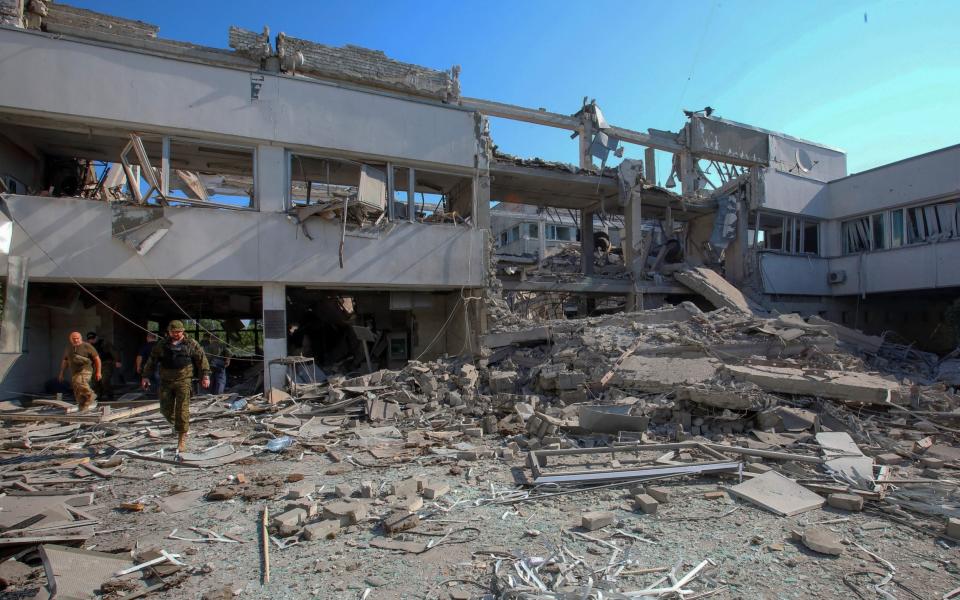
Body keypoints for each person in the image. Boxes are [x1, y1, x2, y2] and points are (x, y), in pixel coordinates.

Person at [141, 320, 210, 453]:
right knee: (165, 409)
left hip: (184, 380)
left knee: (182, 410)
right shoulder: (162, 345)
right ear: (169, 332)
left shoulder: (190, 344)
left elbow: (202, 359)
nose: (176, 334)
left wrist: (205, 375)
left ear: (183, 331)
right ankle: (177, 424)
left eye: (178, 332)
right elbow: (152, 361)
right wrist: (145, 376)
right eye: (173, 332)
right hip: (166, 380)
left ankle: (181, 438)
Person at [58, 331, 101, 411]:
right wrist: (61, 373)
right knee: (77, 389)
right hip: (75, 372)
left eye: (77, 338)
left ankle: (91, 395)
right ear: (70, 339)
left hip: (86, 370)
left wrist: (98, 372)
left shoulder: (87, 346)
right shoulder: (68, 348)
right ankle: (83, 406)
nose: (76, 340)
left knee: (80, 381)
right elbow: (65, 361)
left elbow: (97, 359)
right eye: (74, 339)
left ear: (81, 338)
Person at [87, 331, 120, 401]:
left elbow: (114, 351)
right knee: (95, 380)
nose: (91, 340)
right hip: (96, 365)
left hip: (107, 363)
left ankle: (110, 395)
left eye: (93, 338)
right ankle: (98, 395)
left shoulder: (105, 343)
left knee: (105, 380)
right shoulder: (89, 346)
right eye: (90, 339)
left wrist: (118, 361)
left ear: (96, 337)